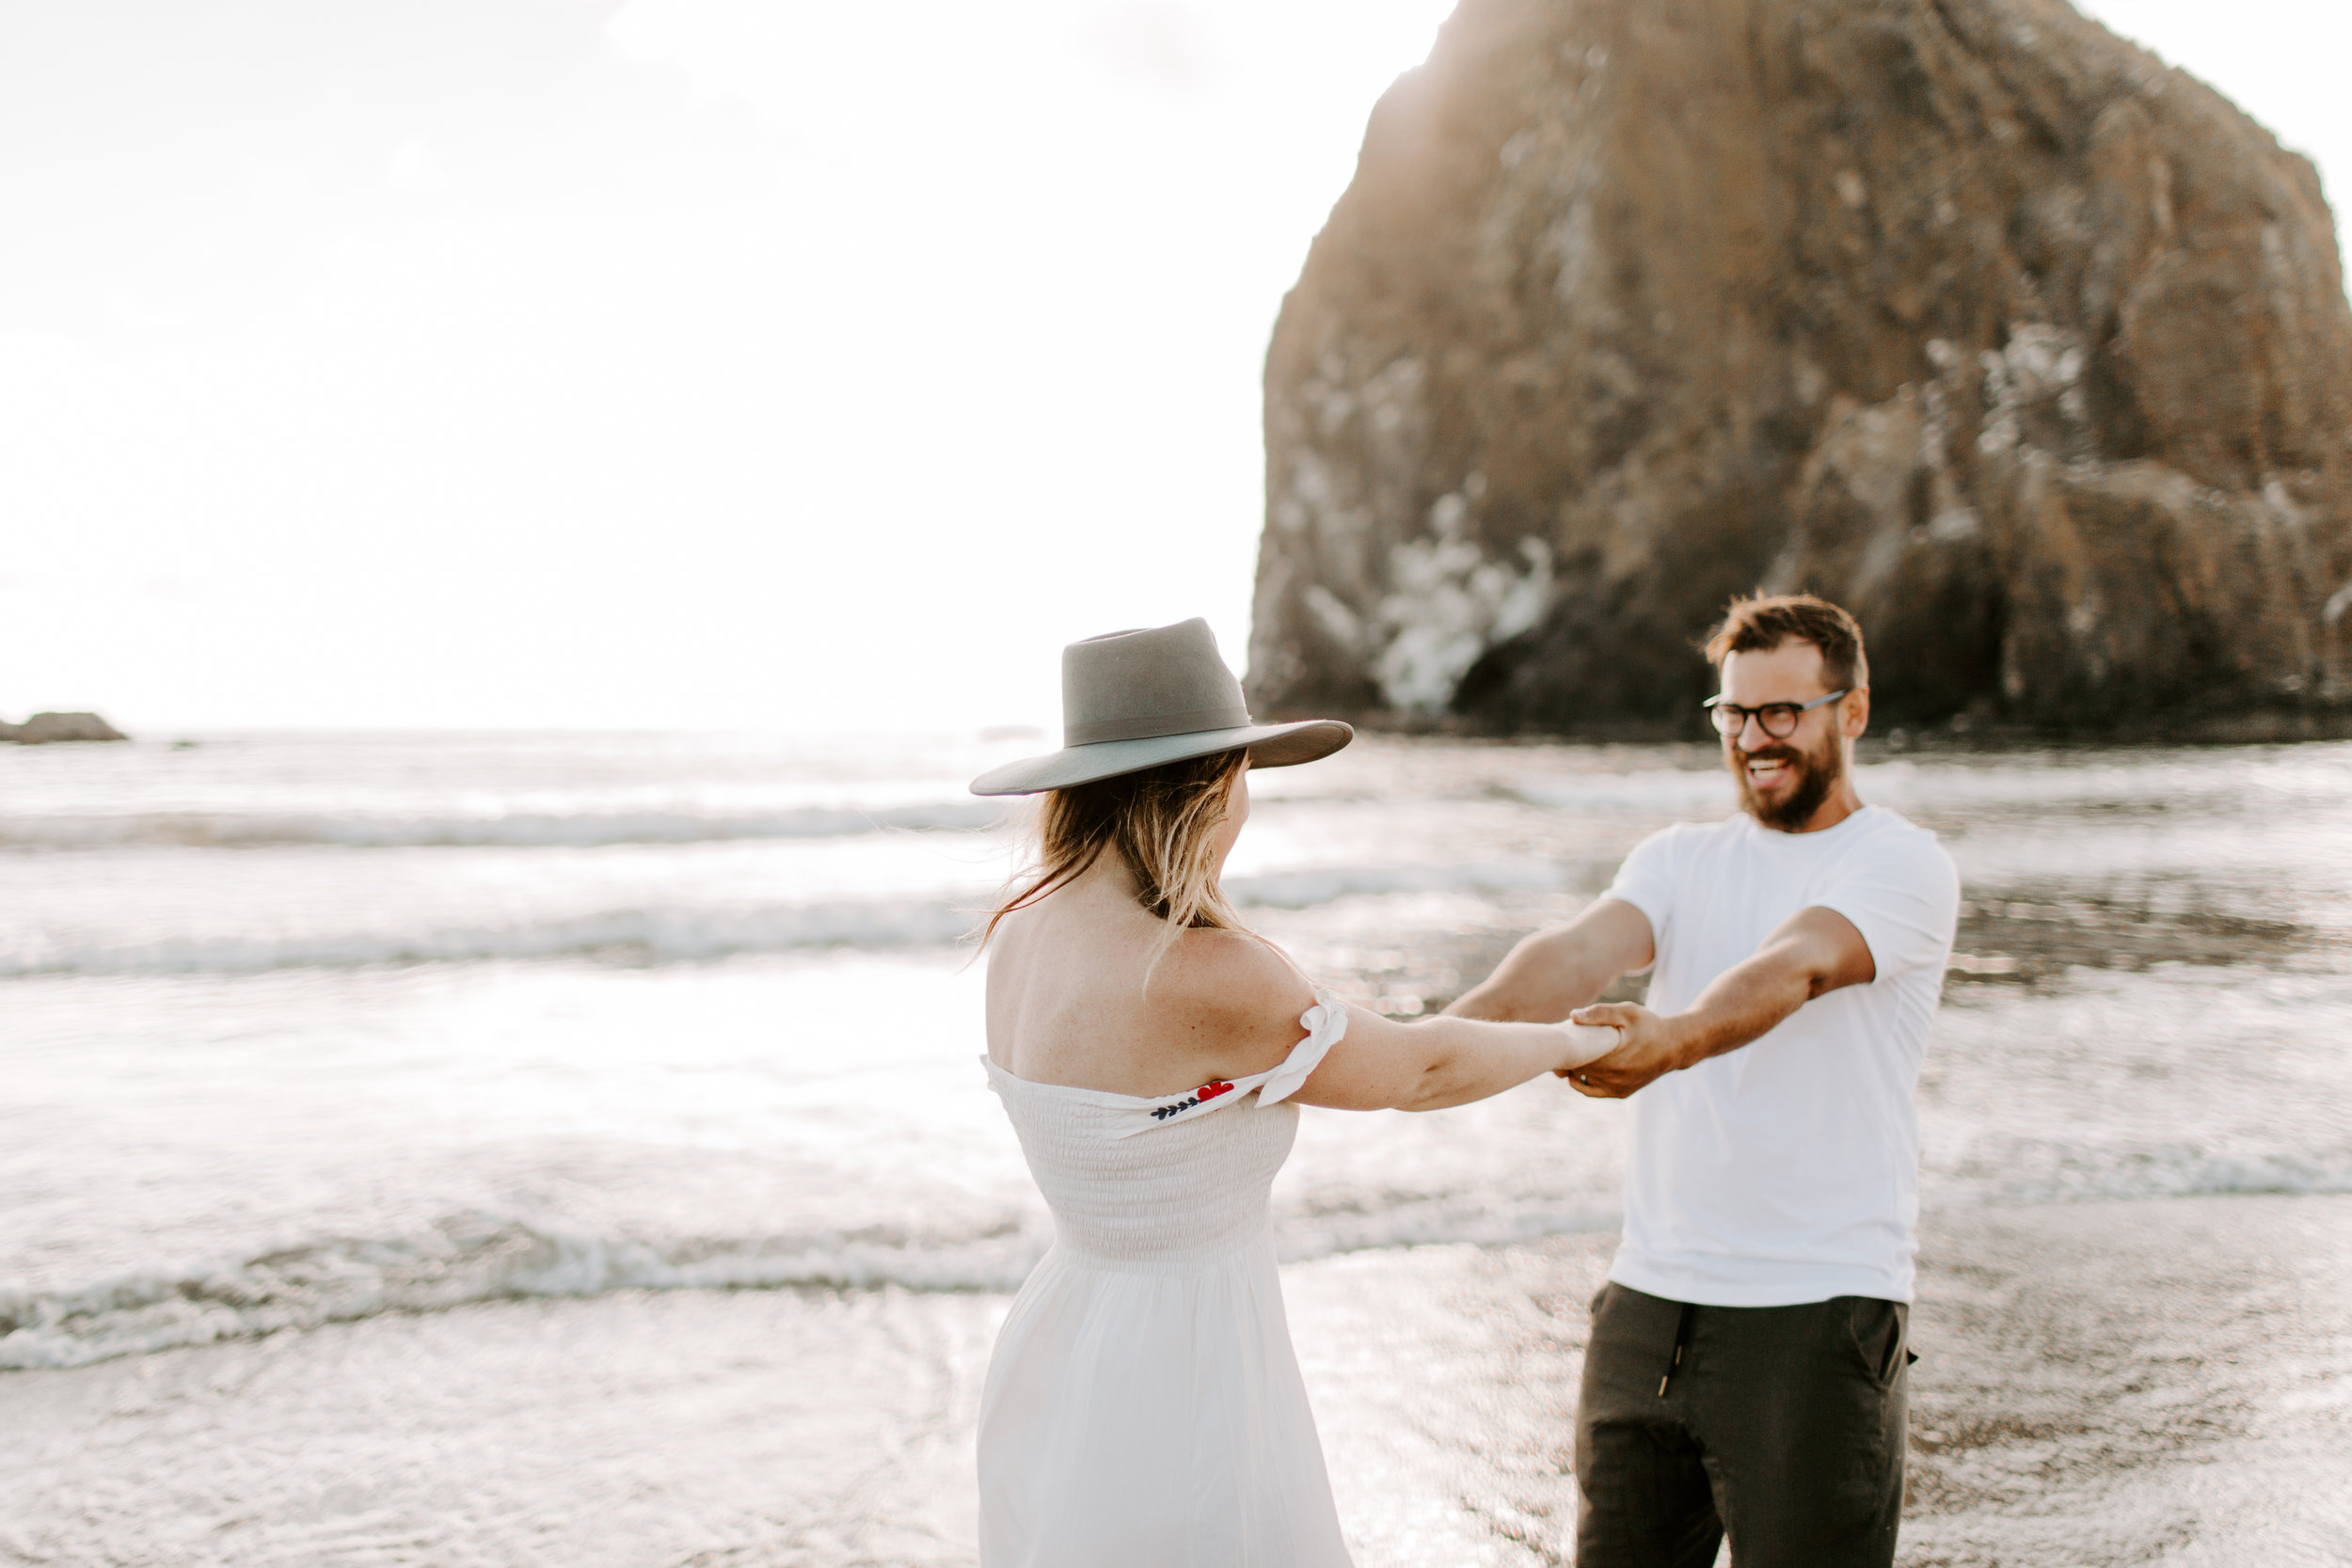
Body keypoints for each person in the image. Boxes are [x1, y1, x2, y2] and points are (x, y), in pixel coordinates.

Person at [967, 617, 1617, 1568]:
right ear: (1204, 785)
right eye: (1240, 776)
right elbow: (1420, 1068)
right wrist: (1573, 1038)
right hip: (1185, 1364)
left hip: (1063, 1342)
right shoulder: (1203, 969)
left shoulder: (1020, 934)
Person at [1450, 593, 1961, 1568]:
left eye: (1782, 712)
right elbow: (1574, 951)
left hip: (1816, 1313)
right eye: (1733, 713)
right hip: (1646, 1305)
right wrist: (1432, 1040)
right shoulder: (1678, 857)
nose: (1753, 738)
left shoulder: (1901, 864)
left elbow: (1795, 963)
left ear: (1850, 710)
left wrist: (1672, 1037)